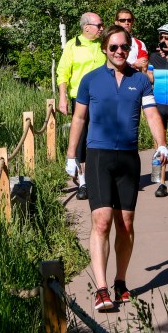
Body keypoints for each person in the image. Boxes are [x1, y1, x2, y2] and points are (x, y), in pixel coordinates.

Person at [66, 26, 168, 313]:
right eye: (113, 47)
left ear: (130, 49)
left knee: (125, 225)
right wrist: (72, 156)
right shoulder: (90, 80)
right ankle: (101, 289)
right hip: (99, 156)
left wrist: (162, 144)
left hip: (128, 158)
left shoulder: (141, 81)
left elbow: (151, 114)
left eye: (124, 47)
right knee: (101, 222)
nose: (119, 52)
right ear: (104, 49)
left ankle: (120, 282)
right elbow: (78, 118)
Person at [56, 12, 106, 201]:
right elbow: (62, 73)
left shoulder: (103, 45)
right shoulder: (72, 45)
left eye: (102, 25)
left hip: (103, 98)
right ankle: (83, 181)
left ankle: (99, 176)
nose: (101, 28)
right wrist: (63, 97)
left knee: (100, 136)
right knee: (81, 137)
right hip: (80, 98)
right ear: (86, 27)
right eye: (98, 25)